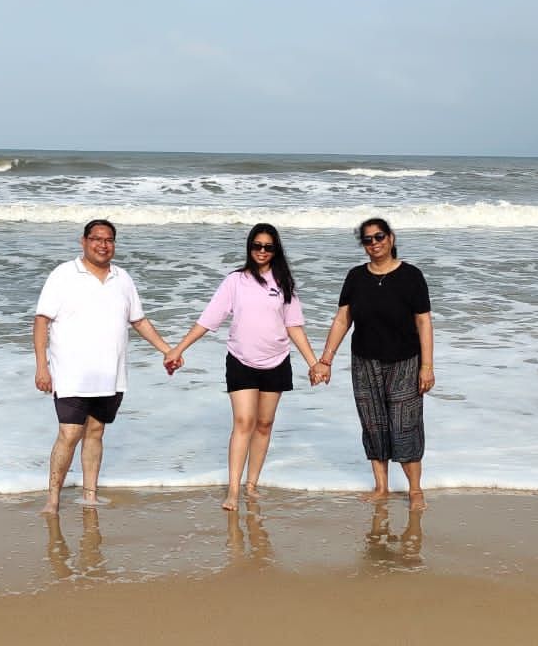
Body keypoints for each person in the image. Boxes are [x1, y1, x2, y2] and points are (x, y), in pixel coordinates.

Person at [163, 223, 320, 512]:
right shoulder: (235, 281)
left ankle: (252, 484)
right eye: (256, 246)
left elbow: (294, 326)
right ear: (249, 247)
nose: (261, 251)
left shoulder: (284, 283)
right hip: (240, 360)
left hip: (277, 360)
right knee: (244, 422)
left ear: (275, 250)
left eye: (268, 247)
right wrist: (178, 349)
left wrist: (314, 362)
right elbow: (209, 319)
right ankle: (234, 491)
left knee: (264, 424)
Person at [34, 219, 173, 512]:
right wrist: (41, 367)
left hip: (110, 374)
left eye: (109, 240)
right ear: (83, 241)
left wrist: (167, 350)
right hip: (71, 373)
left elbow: (139, 320)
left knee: (96, 432)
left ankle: (90, 494)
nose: (103, 245)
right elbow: (41, 321)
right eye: (96, 239)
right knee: (69, 434)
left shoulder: (122, 278)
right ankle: (53, 500)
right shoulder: (63, 275)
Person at [311, 217, 434, 510]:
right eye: (368, 240)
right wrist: (325, 359)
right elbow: (343, 318)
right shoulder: (355, 277)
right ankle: (381, 488)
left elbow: (423, 321)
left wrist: (426, 366)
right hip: (364, 361)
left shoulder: (411, 276)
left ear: (390, 238)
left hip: (405, 361)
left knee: (406, 425)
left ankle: (415, 490)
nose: (374, 243)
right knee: (373, 424)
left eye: (379, 237)